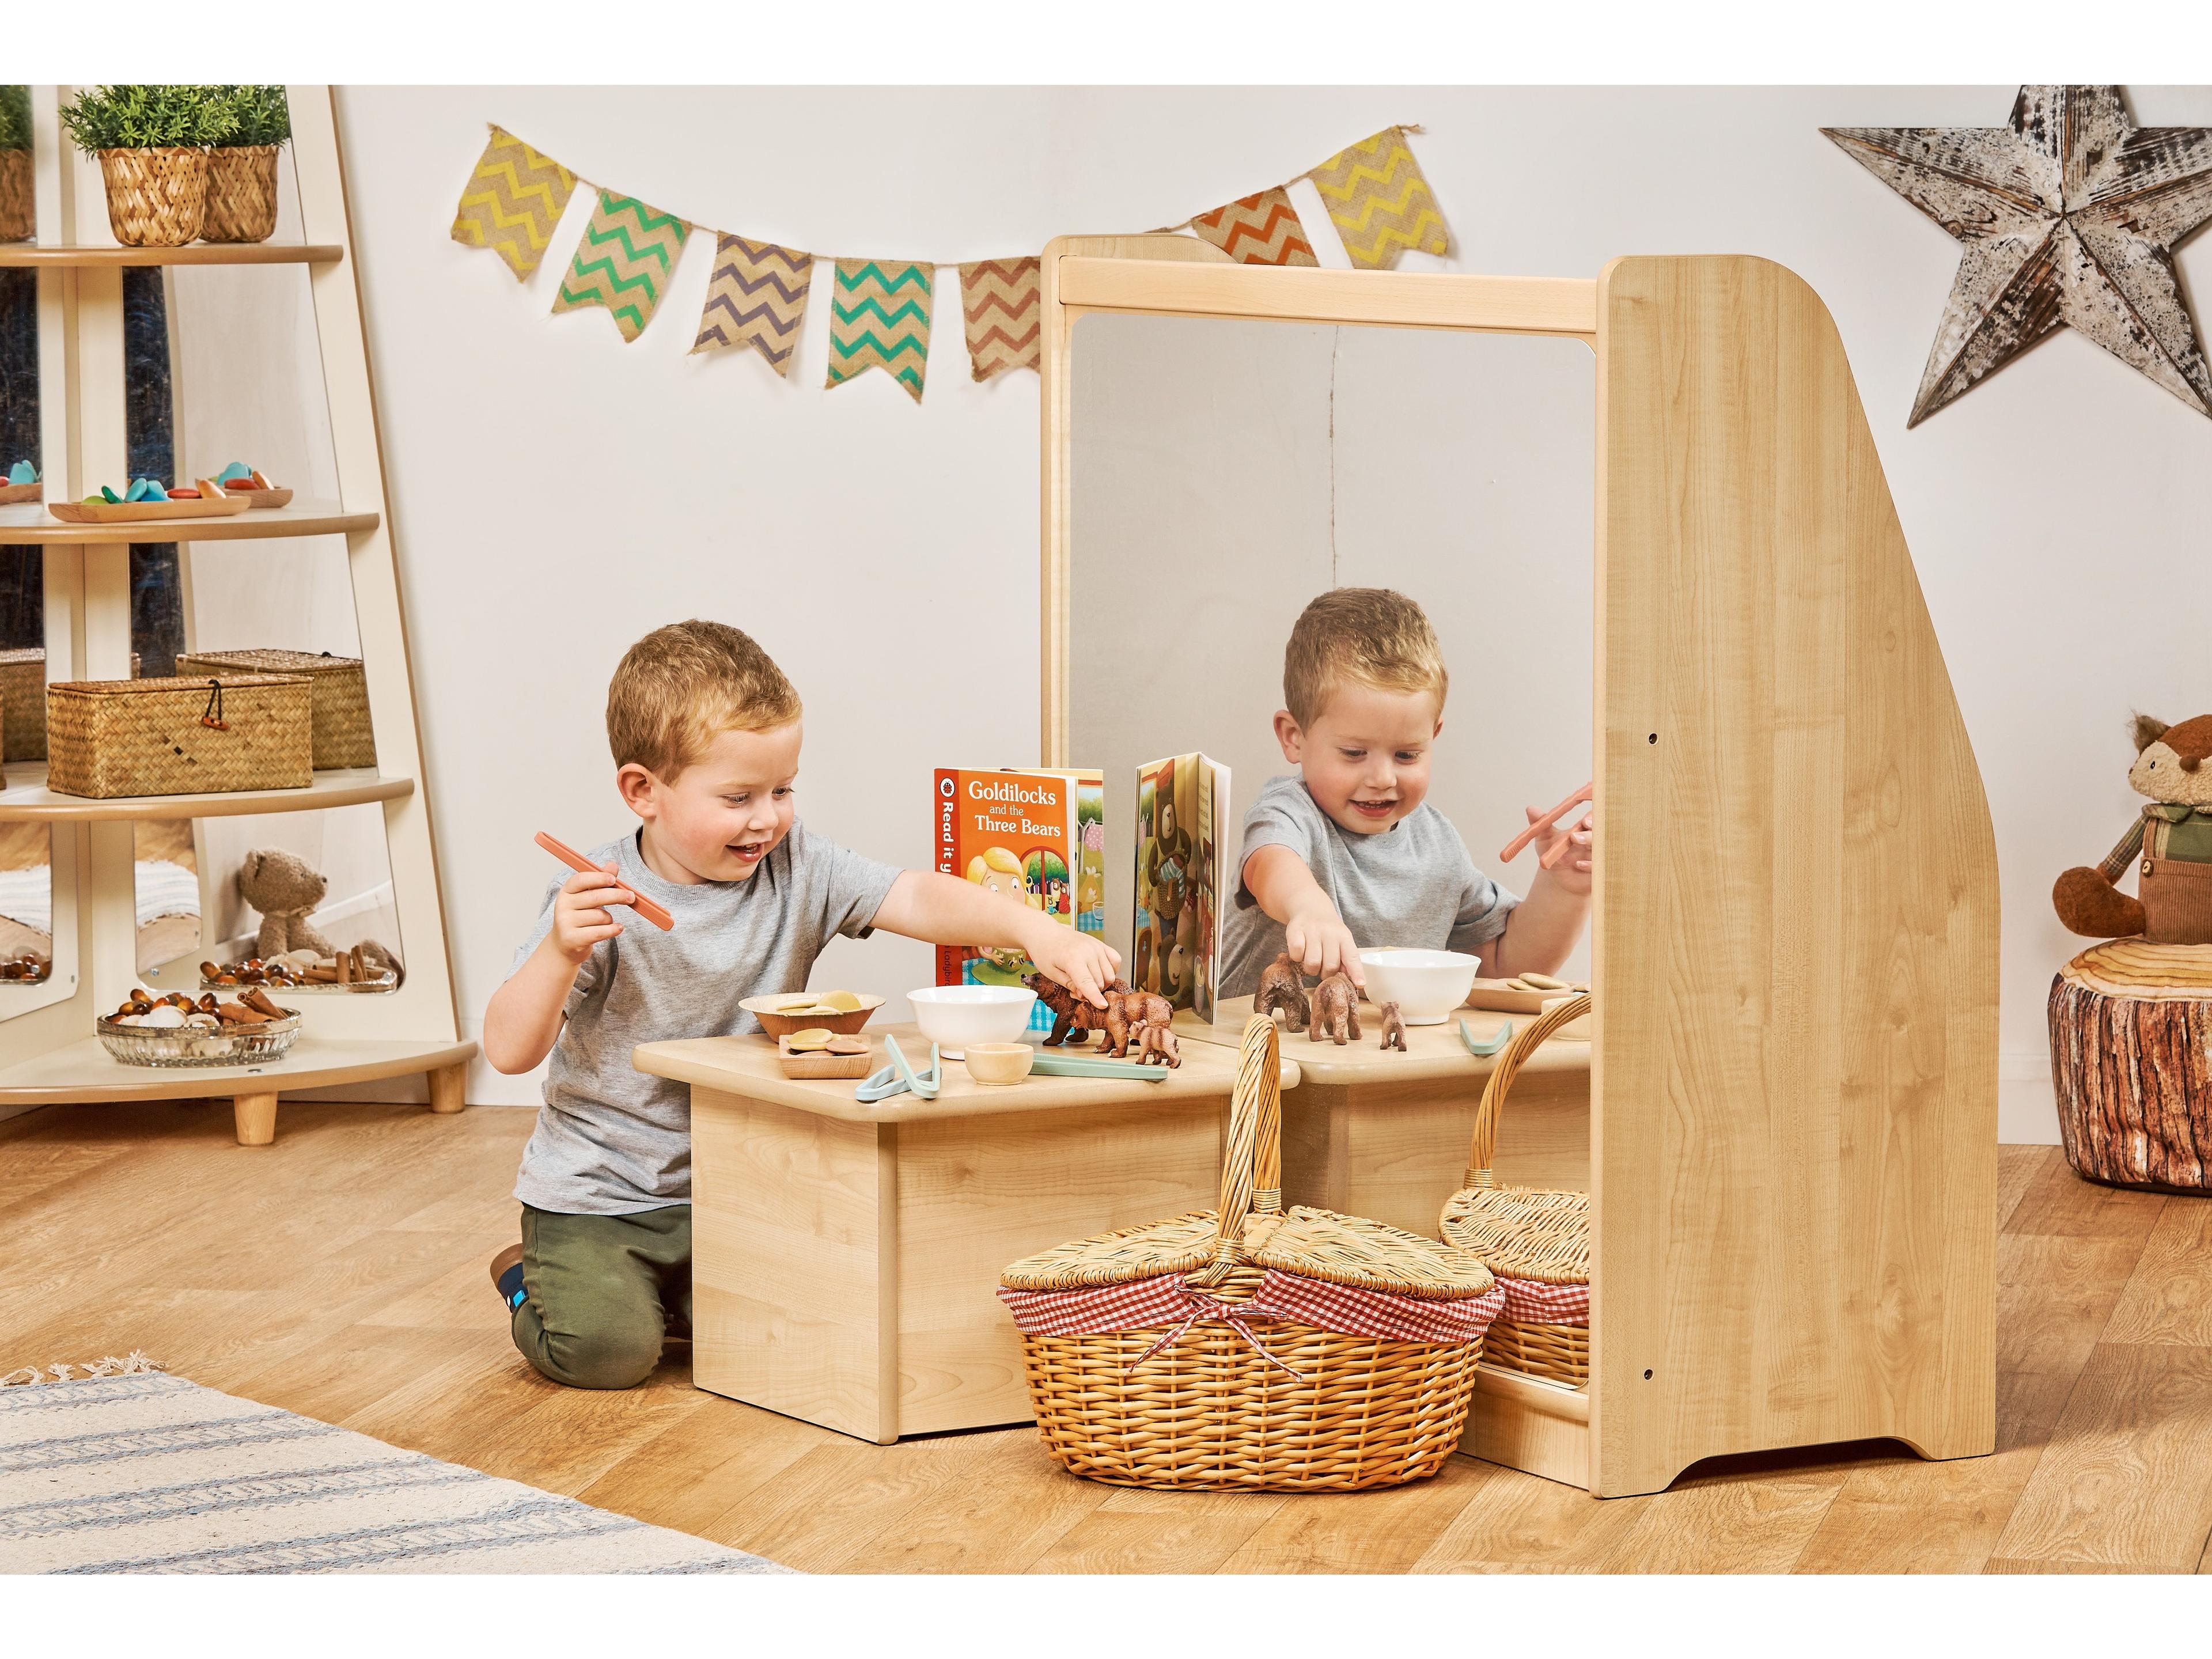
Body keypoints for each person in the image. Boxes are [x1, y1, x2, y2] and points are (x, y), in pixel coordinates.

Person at [480, 619, 1121, 1390]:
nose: (768, 818)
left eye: (783, 790)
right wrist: (558, 953)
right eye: (738, 796)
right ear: (642, 791)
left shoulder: (797, 864)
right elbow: (509, 1050)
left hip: (742, 1181)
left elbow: (911, 893)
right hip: (600, 1192)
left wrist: (1034, 930)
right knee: (609, 1354)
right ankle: (530, 1281)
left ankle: (666, 1300)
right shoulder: (592, 903)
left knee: (794, 1326)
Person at [1219, 588, 1590, 1001]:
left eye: (1407, 754)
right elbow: (1269, 863)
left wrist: (1565, 888)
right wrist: (1308, 906)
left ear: (1433, 736)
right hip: (1263, 1057)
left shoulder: (1439, 845)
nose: (1382, 777)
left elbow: (1505, 965)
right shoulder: (1289, 809)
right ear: (1294, 738)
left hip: (1386, 1063)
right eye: (1354, 753)